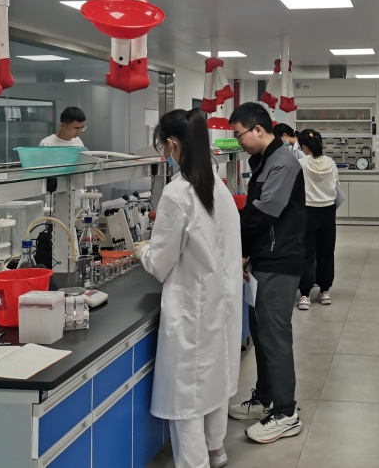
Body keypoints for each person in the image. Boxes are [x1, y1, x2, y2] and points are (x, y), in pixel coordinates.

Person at [136, 109, 242, 468]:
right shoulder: (217, 185)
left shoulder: (178, 192)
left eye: (161, 146)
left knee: (187, 393)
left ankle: (195, 462)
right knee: (214, 380)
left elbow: (160, 263)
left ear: (171, 144)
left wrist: (141, 251)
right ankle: (216, 449)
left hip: (193, 306)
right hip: (220, 300)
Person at [228, 102, 306, 444]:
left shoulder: (284, 161)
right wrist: (246, 253)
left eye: (239, 135)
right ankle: (265, 398)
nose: (238, 141)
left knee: (275, 336)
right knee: (261, 334)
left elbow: (263, 212)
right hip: (264, 258)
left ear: (258, 129)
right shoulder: (263, 160)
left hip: (280, 260)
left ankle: (286, 413)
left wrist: (233, 242)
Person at [295, 129, 339, 310]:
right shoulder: (331, 163)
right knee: (326, 252)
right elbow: (336, 185)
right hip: (328, 211)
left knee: (306, 252)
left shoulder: (300, 164)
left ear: (304, 147)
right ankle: (325, 291)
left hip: (307, 211)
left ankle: (305, 295)